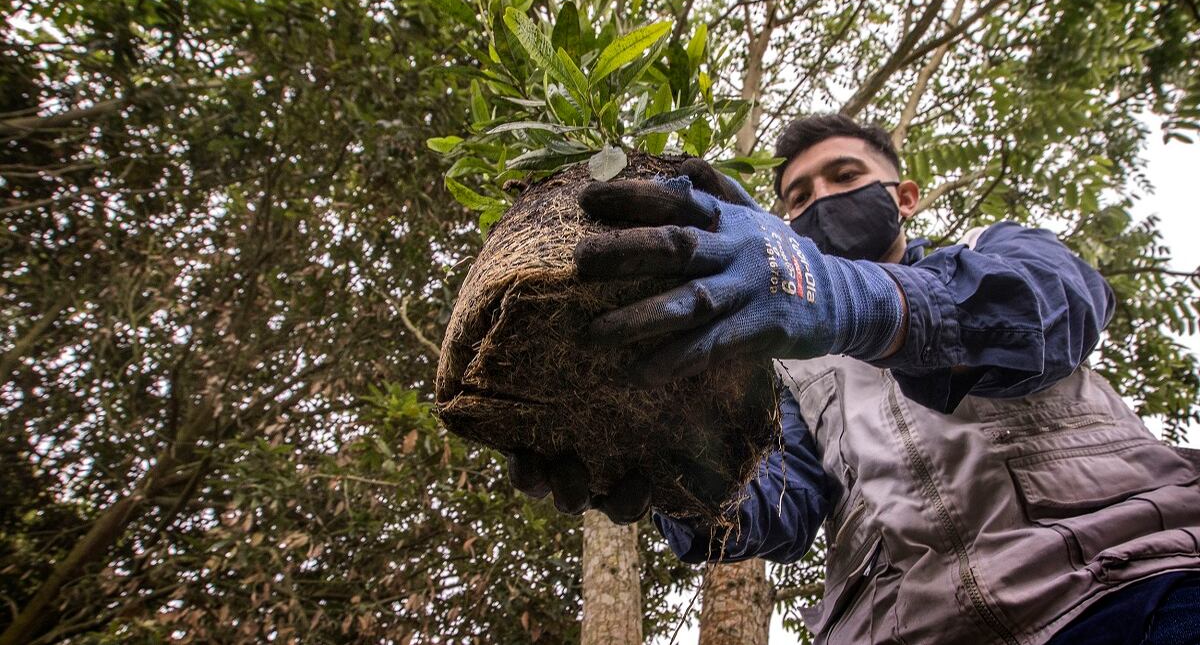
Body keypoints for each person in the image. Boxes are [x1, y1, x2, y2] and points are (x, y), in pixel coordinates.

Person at [507, 114, 1200, 644]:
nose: (820, 199)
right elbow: (777, 508)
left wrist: (849, 300)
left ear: (903, 195)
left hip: (1132, 586)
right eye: (797, 195)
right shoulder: (795, 372)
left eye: (843, 176)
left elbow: (1052, 307)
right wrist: (671, 468)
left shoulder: (998, 250)